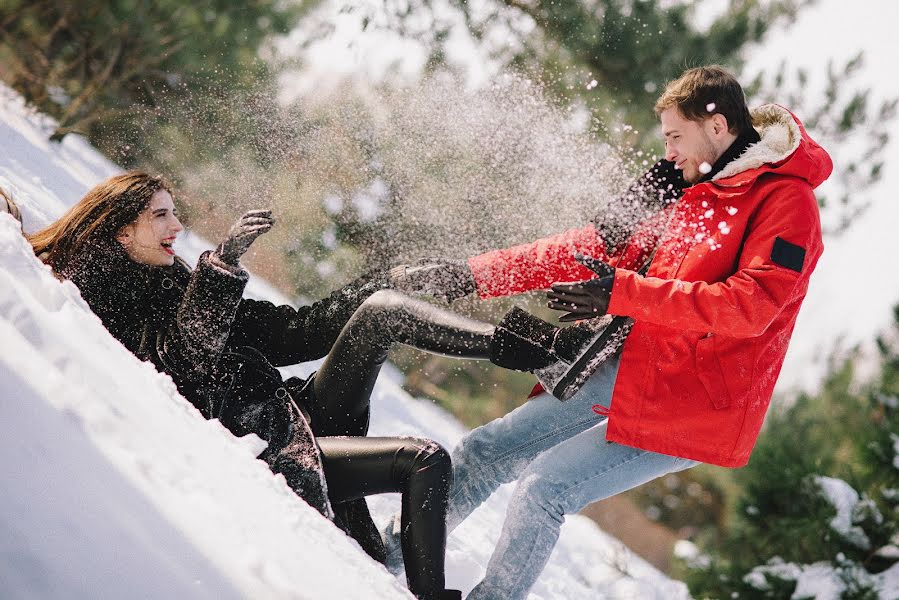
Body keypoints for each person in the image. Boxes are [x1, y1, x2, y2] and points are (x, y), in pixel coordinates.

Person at [391, 65, 833, 598]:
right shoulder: (679, 182)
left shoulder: (787, 202)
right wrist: (472, 275)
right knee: (486, 451)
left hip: (692, 406)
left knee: (543, 489)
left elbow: (750, 306)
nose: (668, 151)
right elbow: (589, 248)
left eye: (675, 136)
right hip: (631, 368)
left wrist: (623, 293)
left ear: (716, 126)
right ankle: (386, 556)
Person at [26, 172, 557, 600]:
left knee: (381, 311)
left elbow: (295, 334)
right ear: (122, 230)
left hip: (288, 416)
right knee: (426, 460)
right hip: (270, 449)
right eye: (160, 215)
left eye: (175, 212)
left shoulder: (172, 277)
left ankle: (538, 350)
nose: (178, 226)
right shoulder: (103, 287)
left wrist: (383, 279)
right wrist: (222, 266)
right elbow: (184, 361)